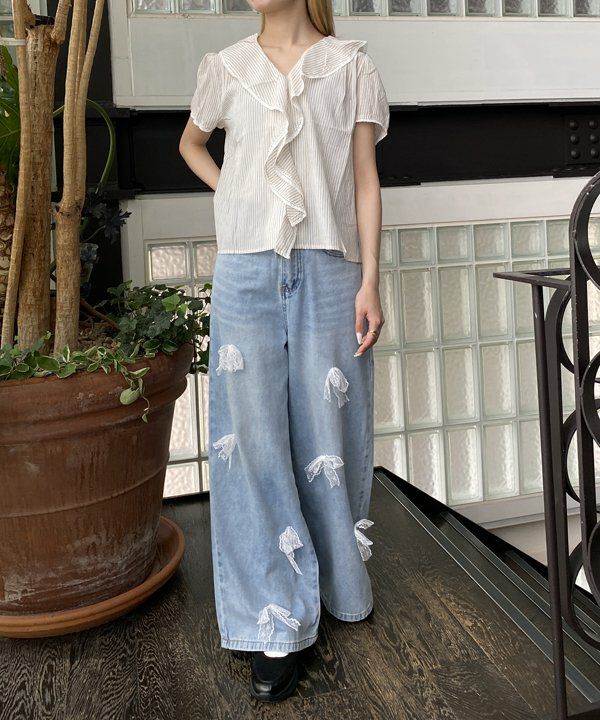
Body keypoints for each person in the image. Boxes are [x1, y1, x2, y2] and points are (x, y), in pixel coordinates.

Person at [179, 0, 390, 702]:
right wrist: (239, 194)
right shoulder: (227, 67)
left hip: (330, 268)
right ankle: (273, 615)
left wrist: (371, 279)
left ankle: (334, 581)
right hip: (245, 268)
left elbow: (364, 179)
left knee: (331, 431)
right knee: (253, 441)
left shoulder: (349, 66)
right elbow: (191, 144)